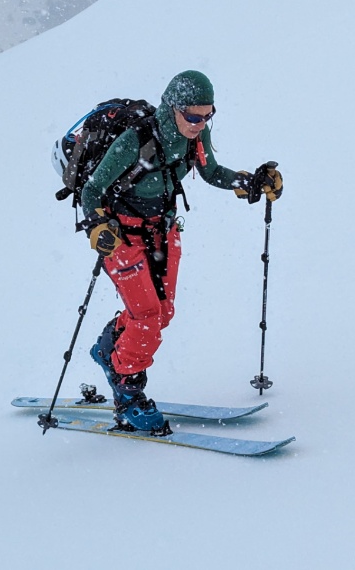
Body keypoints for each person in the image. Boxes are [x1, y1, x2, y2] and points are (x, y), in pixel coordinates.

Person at [81, 70, 282, 433]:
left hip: (164, 231)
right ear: (173, 108)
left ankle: (109, 349)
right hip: (121, 236)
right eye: (194, 116)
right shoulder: (134, 141)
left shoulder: (196, 135)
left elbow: (211, 173)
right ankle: (127, 393)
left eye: (208, 115)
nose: (201, 123)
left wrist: (249, 182)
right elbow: (92, 191)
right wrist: (96, 224)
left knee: (162, 313)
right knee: (145, 315)